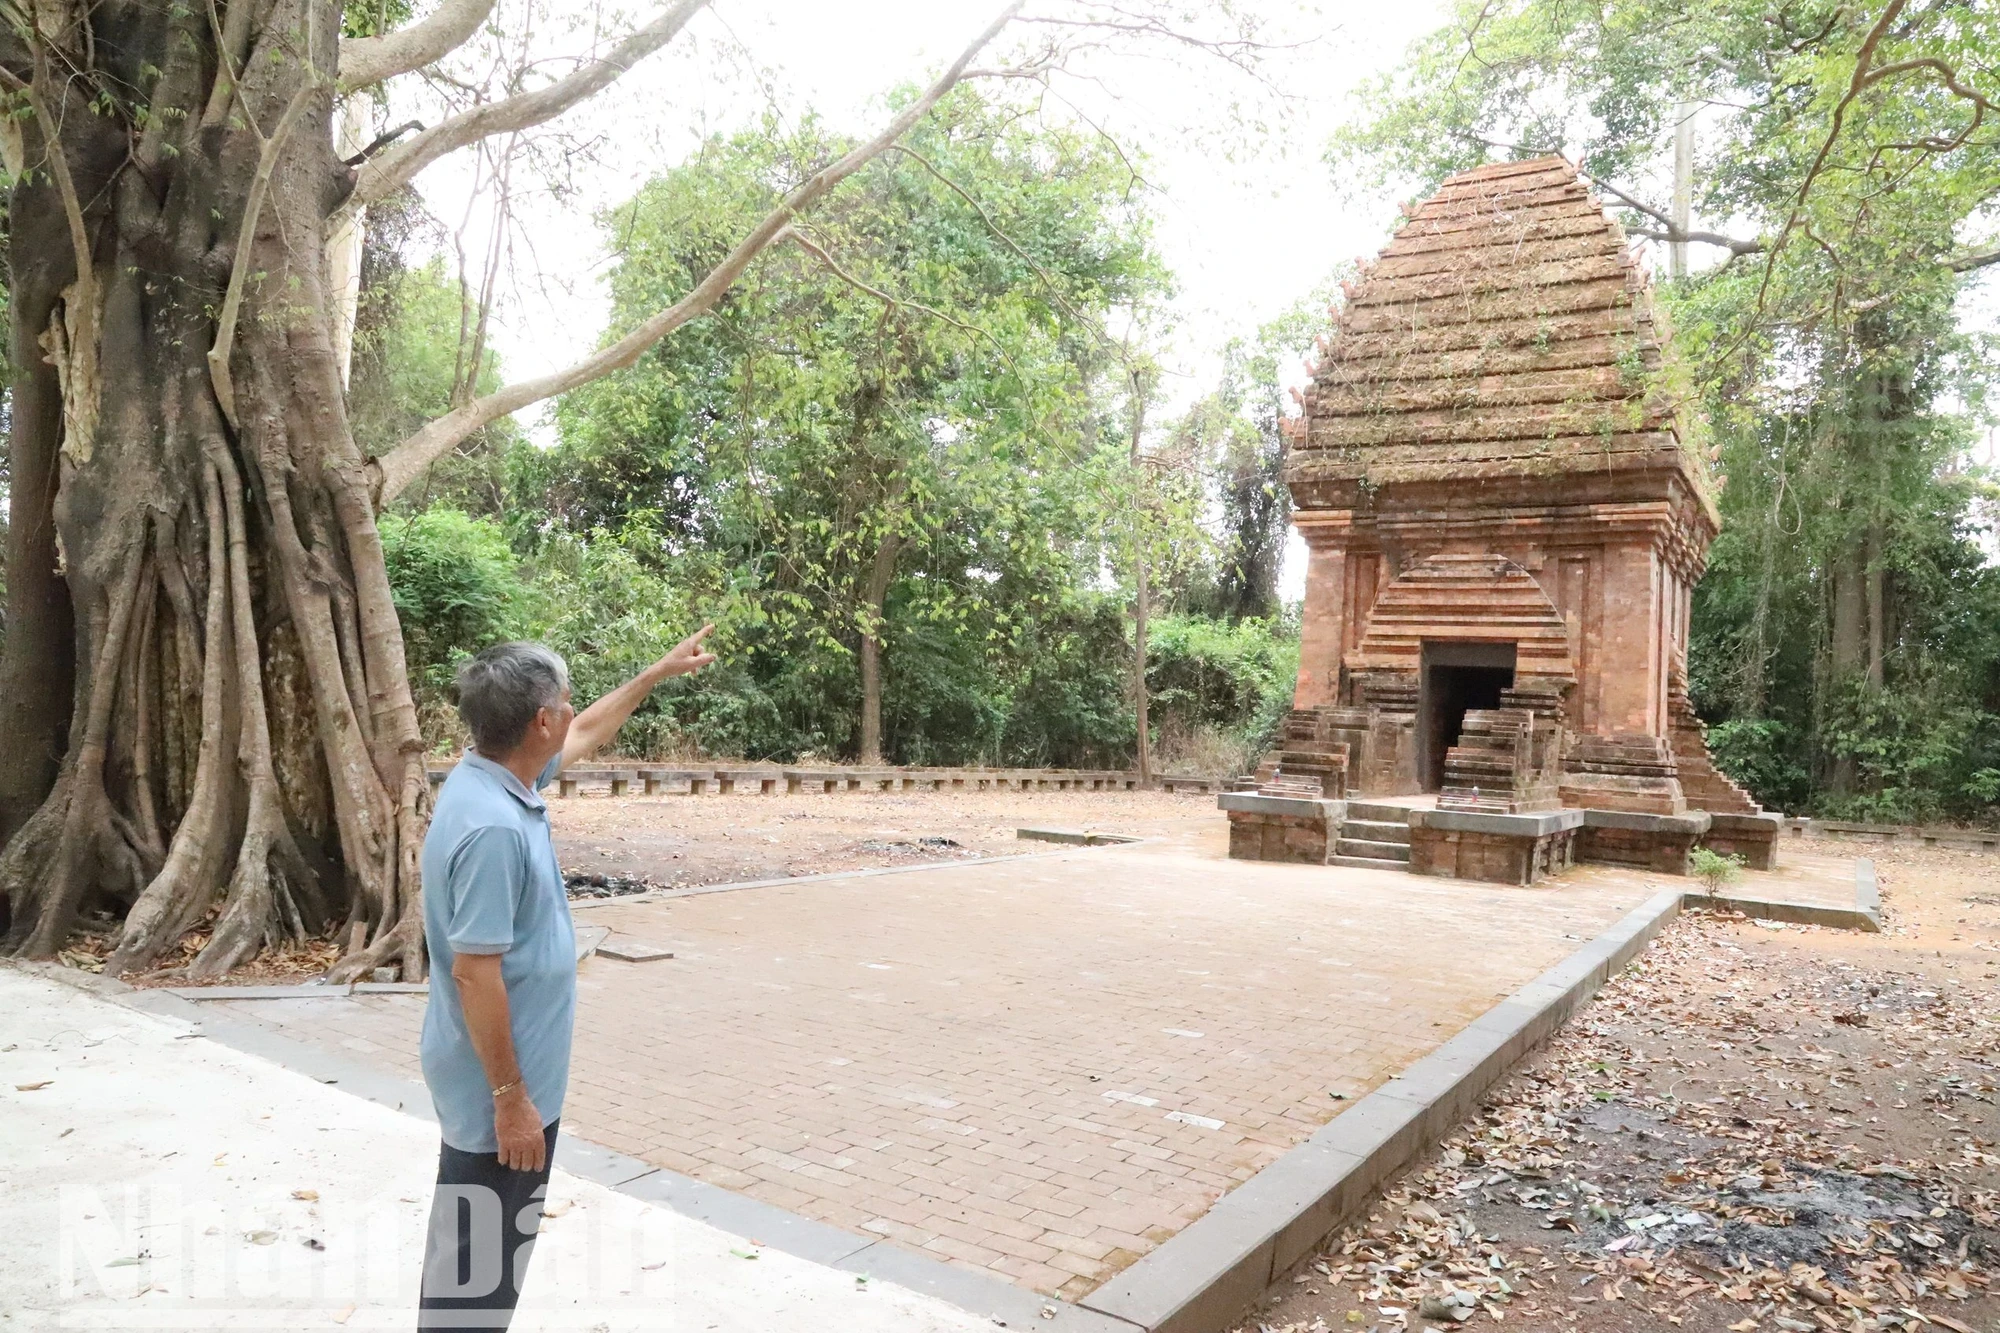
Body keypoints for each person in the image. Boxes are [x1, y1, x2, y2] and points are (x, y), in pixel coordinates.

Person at [416, 629, 716, 1330]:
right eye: (563, 700)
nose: (572, 710)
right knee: (473, 1283)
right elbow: (473, 973)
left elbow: (587, 730)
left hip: (502, 1085)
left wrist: (654, 674)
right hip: (496, 1096)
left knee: (478, 1266)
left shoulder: (496, 776)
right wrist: (512, 1100)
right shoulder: (492, 825)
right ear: (538, 721)